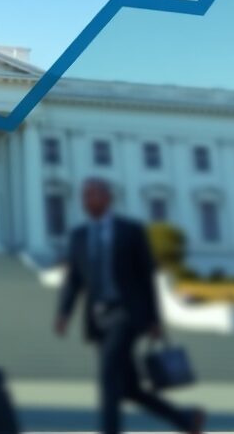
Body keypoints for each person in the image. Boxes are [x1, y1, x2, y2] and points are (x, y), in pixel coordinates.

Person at [55, 177, 206, 434]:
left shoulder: (131, 230)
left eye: (93, 194)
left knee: (107, 377)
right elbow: (74, 279)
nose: (87, 200)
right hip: (98, 318)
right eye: (84, 196)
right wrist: (64, 312)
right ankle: (185, 419)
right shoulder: (78, 235)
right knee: (128, 388)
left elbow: (147, 278)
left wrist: (155, 319)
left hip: (127, 313)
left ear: (108, 198)